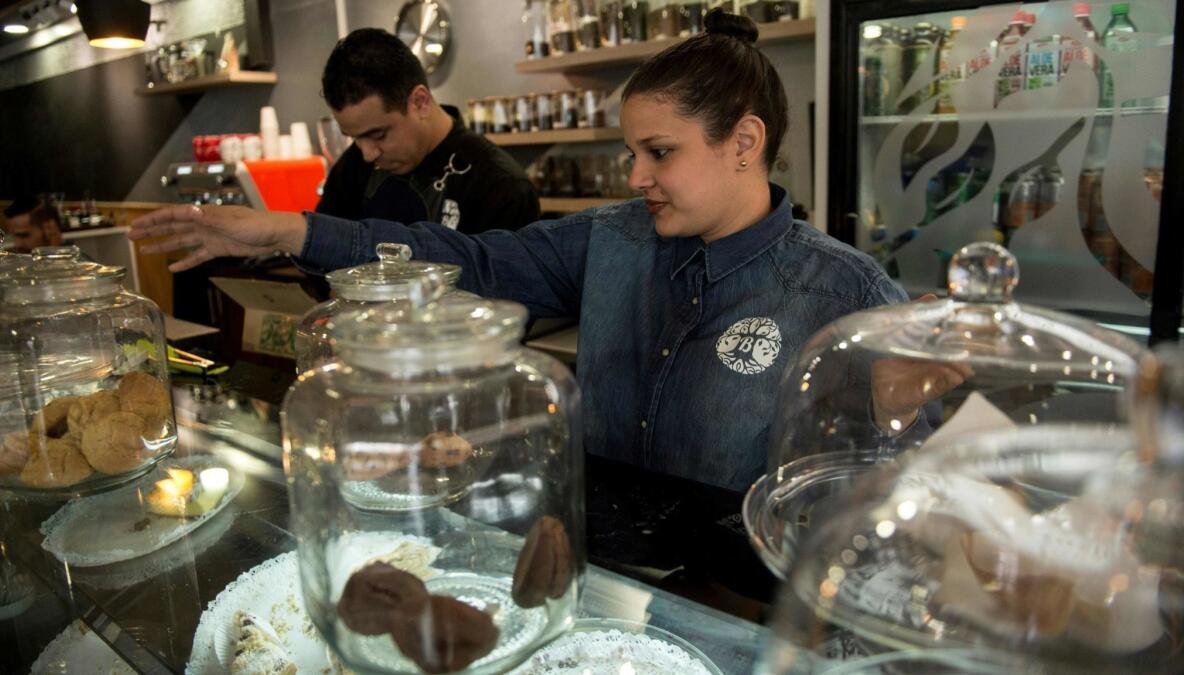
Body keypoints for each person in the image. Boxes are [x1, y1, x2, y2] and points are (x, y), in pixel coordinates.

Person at [131, 11, 919, 491]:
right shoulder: (607, 241)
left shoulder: (845, 294)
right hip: (597, 571)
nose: (636, 175)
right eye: (630, 152)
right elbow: (462, 261)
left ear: (744, 142)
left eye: (659, 152)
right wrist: (289, 231)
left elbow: (928, 464)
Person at [316, 28, 539, 233]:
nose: (368, 154)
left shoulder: (500, 188)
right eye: (355, 138)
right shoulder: (354, 167)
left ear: (420, 102)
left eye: (378, 135)